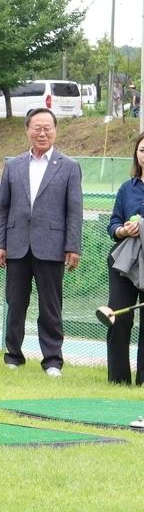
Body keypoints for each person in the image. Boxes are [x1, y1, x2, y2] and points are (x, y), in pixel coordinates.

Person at [0, 108, 83, 377]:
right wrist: (0, 244)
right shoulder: (14, 165)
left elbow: (74, 210)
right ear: (27, 130)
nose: (42, 133)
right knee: (15, 304)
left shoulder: (69, 166)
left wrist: (73, 246)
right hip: (17, 245)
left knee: (50, 306)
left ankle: (52, 360)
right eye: (37, 128)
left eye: (47, 128)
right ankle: (13, 356)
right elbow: (3, 209)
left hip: (52, 246)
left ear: (55, 131)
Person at [106, 132, 144, 385]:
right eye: (142, 150)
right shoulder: (126, 188)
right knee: (118, 317)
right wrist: (123, 230)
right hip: (124, 262)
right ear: (136, 154)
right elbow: (113, 224)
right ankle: (118, 380)